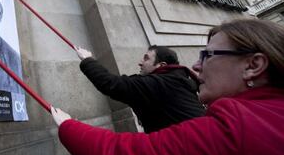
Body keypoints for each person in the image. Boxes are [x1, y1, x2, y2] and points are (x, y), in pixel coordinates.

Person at [52, 19, 284, 155]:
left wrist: (68, 125)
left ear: (253, 66)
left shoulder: (235, 127)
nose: (196, 65)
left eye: (208, 56)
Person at [74, 45, 204, 132]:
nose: (140, 62)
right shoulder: (176, 79)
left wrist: (87, 60)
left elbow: (112, 84)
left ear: (161, 65)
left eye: (146, 59)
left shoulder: (160, 83)